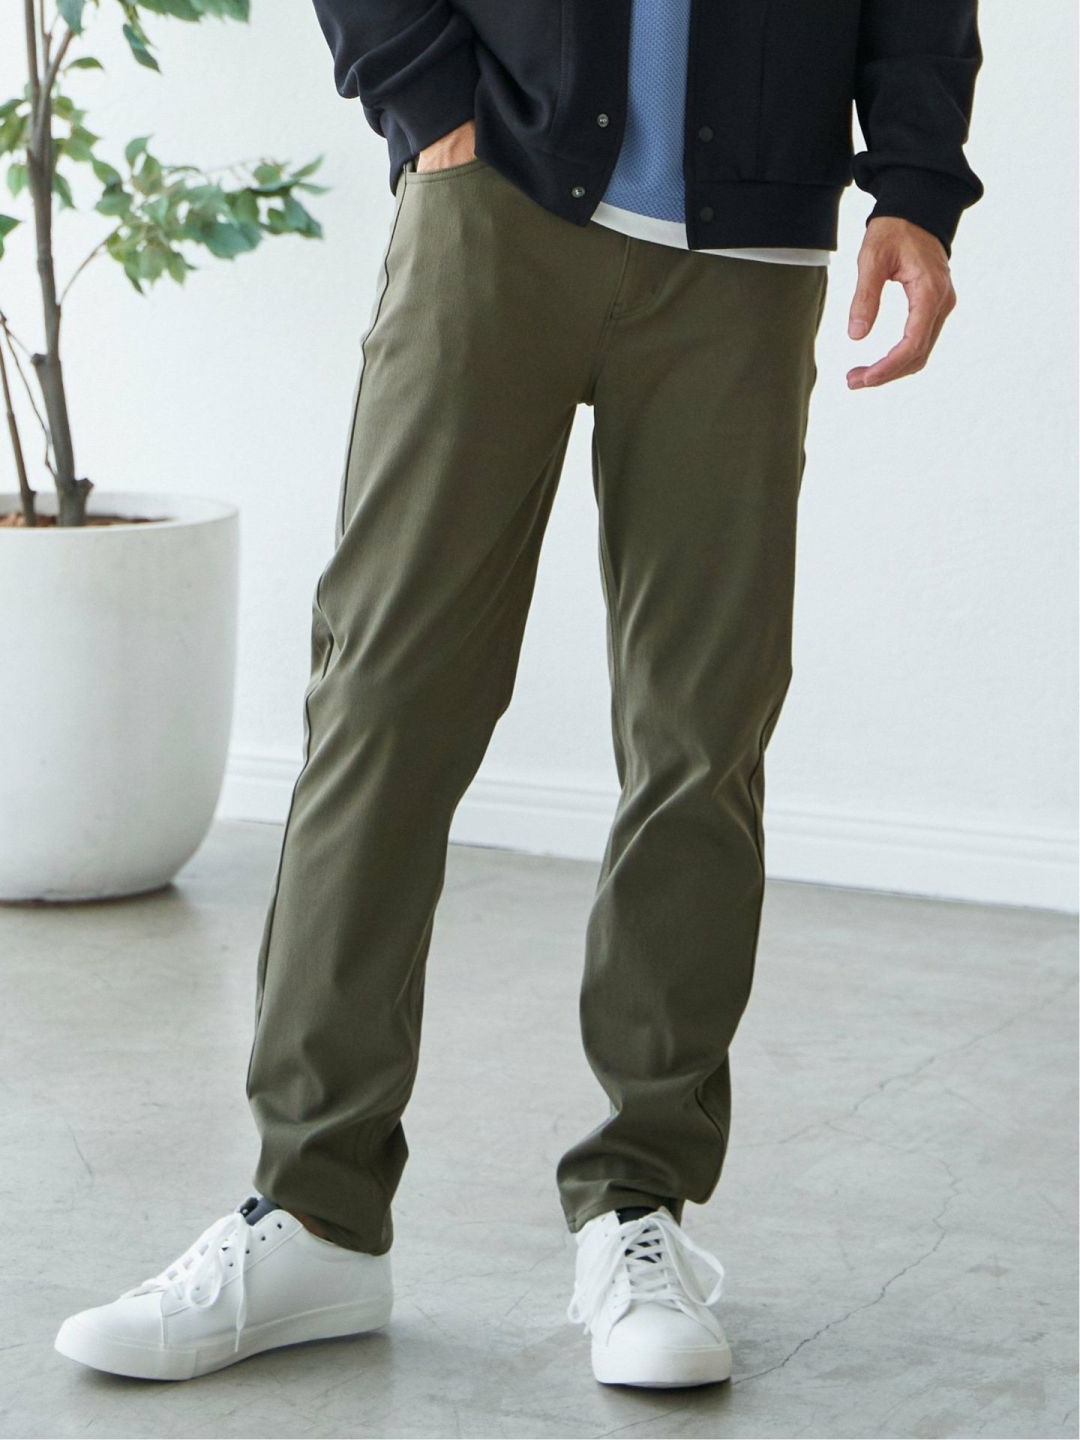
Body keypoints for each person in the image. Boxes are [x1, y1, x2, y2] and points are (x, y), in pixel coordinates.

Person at [55, 0, 983, 1389]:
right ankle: (313, 1210)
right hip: (498, 193)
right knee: (386, 700)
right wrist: (424, 95)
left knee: (701, 735)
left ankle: (639, 1208)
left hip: (751, 236)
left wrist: (915, 181)